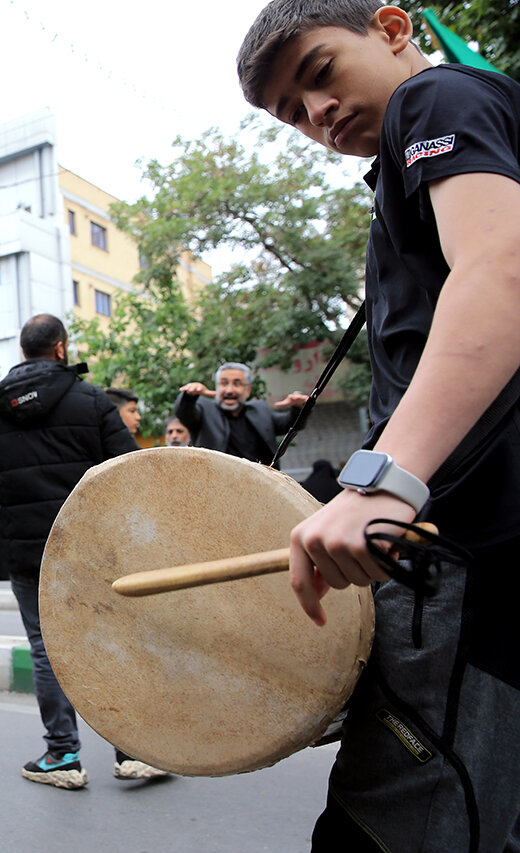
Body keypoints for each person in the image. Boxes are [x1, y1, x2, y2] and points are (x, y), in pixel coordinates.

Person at [239, 3, 520, 849]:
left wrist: (383, 479)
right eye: (292, 113)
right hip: (475, 550)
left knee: (394, 826)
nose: (316, 115)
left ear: (391, 27)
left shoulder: (432, 104)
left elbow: (502, 273)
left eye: (318, 74)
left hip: (465, 553)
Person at [0, 314, 150, 789]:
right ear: (61, 349)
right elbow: (129, 471)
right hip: (93, 548)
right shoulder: (91, 399)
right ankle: (134, 752)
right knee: (113, 642)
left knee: (47, 650)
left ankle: (63, 755)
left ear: (26, 352)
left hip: (29, 553)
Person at [174, 362, 307, 463]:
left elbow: (290, 424)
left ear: (248, 390)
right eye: (224, 383)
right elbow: (184, 413)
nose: (229, 390)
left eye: (237, 384)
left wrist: (298, 408)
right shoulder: (204, 410)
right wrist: (189, 397)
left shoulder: (260, 410)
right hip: (215, 486)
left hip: (258, 487)